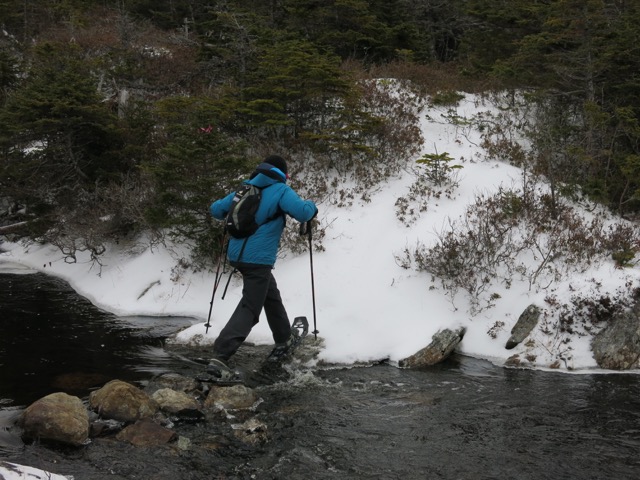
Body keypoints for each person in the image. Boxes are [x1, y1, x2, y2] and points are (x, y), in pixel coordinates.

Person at [207, 155, 318, 376]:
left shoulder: (244, 189)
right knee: (251, 307)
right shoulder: (281, 190)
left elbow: (216, 210)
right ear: (282, 174)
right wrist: (312, 206)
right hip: (257, 259)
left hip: (238, 255)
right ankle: (220, 356)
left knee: (270, 294)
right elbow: (303, 212)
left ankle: (284, 338)